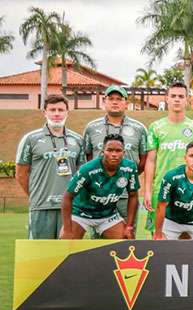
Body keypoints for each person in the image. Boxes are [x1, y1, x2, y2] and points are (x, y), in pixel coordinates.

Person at [15, 94, 85, 239]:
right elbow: (21, 174)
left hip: (70, 208)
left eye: (61, 110)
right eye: (52, 110)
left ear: (67, 112)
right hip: (41, 206)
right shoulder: (31, 139)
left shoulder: (78, 140)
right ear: (44, 112)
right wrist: (36, 195)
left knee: (68, 255)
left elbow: (82, 175)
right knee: (39, 254)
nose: (57, 114)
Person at [82, 85, 147, 235]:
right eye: (111, 99)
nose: (115, 102)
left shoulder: (139, 128)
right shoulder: (91, 128)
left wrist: (126, 177)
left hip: (125, 194)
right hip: (98, 194)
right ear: (104, 102)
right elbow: (88, 157)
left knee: (126, 235)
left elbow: (143, 160)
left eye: (119, 99)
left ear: (126, 103)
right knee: (98, 239)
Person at [143, 82, 193, 236]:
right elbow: (151, 161)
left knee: (187, 236)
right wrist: (148, 191)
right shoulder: (155, 127)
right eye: (173, 96)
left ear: (187, 100)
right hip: (161, 188)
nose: (177, 99)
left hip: (190, 191)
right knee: (159, 237)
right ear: (167, 99)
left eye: (181, 96)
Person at [60, 134, 139, 239]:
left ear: (123, 153)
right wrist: (67, 228)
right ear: (103, 151)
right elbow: (67, 197)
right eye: (109, 150)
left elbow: (133, 195)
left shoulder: (129, 168)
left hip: (107, 215)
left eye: (118, 151)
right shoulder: (88, 169)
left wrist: (129, 226)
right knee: (66, 242)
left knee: (126, 243)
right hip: (80, 213)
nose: (114, 154)